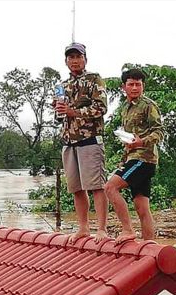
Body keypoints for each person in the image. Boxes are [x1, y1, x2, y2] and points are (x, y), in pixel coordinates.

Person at [55, 42, 109, 243]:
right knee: (76, 188)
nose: (74, 61)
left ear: (85, 59)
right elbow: (59, 117)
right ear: (66, 61)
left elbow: (101, 108)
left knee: (96, 186)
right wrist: (59, 109)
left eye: (78, 57)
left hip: (90, 139)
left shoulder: (95, 79)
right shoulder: (61, 85)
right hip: (69, 141)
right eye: (71, 57)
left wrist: (74, 111)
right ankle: (83, 227)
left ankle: (102, 229)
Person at [105, 69, 164, 244]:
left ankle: (128, 230)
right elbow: (128, 138)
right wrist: (124, 158)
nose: (135, 87)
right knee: (142, 207)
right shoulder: (125, 108)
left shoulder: (148, 105)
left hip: (144, 159)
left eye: (138, 84)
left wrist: (141, 142)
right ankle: (149, 246)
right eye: (131, 84)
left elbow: (159, 131)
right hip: (132, 158)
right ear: (124, 87)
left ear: (143, 86)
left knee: (110, 188)